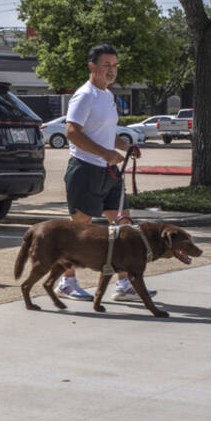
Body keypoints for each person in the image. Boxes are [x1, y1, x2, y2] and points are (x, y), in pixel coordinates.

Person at [56, 43, 149, 301]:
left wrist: (124, 146)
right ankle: (66, 281)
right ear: (92, 66)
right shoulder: (84, 95)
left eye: (115, 65)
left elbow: (106, 134)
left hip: (108, 172)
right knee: (78, 230)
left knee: (123, 225)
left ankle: (125, 284)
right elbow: (72, 132)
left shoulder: (107, 96)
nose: (112, 70)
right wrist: (104, 153)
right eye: (106, 65)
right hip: (85, 170)